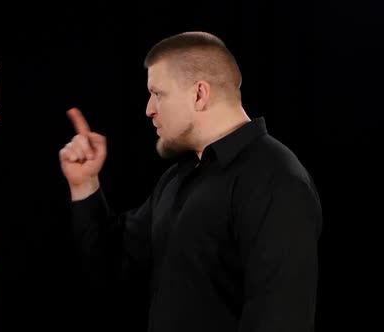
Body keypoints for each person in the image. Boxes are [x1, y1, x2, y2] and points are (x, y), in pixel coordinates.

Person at [59, 31, 322, 331]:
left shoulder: (277, 179)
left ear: (199, 94)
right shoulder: (179, 176)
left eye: (158, 93)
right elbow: (111, 265)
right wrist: (85, 184)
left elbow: (281, 320)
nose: (149, 109)